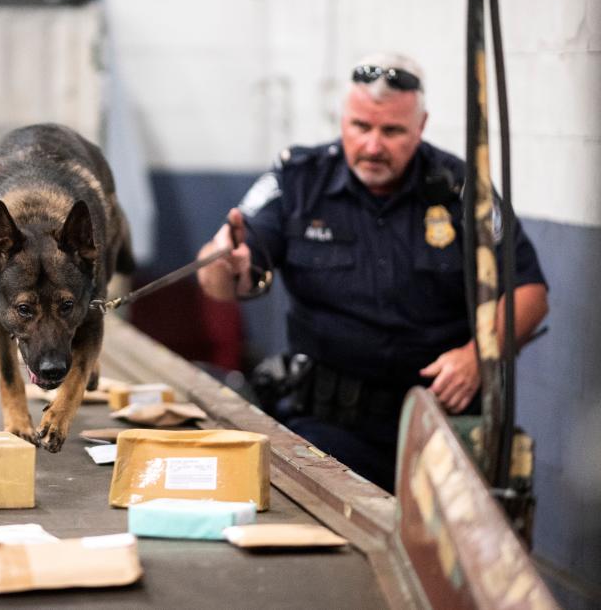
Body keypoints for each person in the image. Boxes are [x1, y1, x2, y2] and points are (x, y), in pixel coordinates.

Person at [196, 53, 548, 492]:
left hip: (439, 429)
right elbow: (224, 278)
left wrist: (480, 354)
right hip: (326, 430)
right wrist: (224, 262)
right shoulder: (300, 179)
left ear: (420, 128)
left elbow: (529, 291)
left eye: (392, 131)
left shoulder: (463, 190)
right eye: (361, 127)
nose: (373, 146)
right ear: (343, 120)